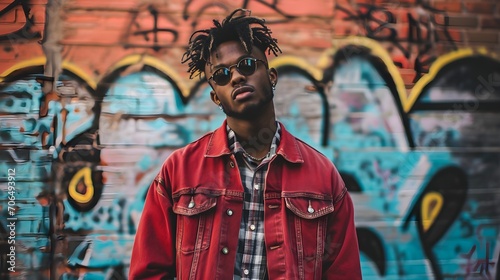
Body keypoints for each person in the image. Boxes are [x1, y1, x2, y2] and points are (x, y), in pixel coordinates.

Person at [129, 8, 361, 280]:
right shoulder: (178, 172)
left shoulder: (322, 177)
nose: (237, 77)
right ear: (216, 98)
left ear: (271, 77)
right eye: (222, 75)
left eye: (247, 65)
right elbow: (149, 272)